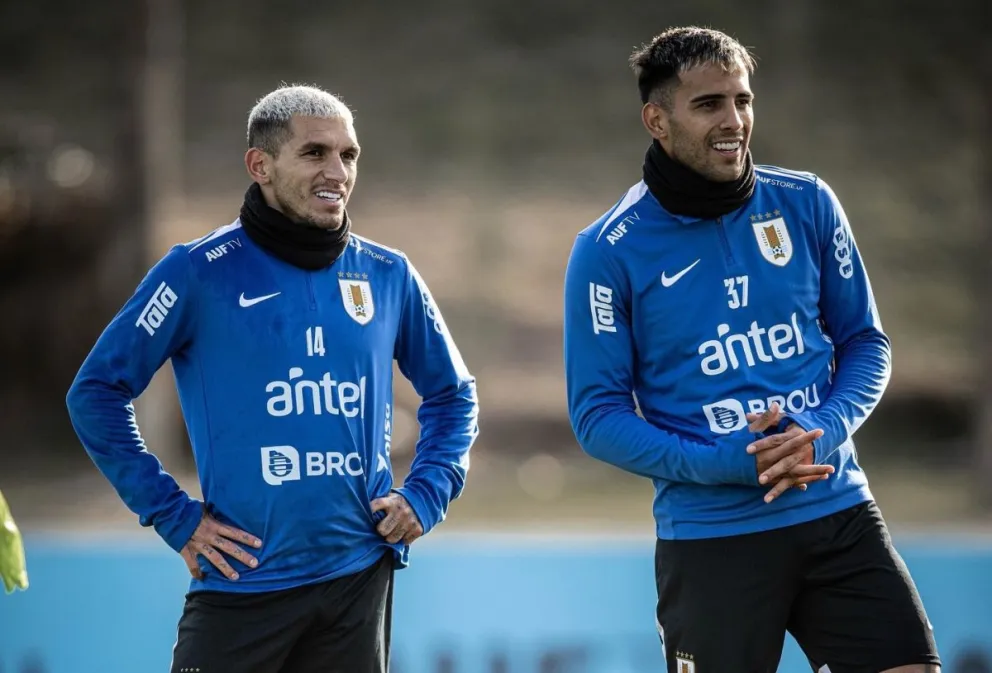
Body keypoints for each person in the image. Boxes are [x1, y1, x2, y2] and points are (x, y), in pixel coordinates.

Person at [563, 26, 939, 673]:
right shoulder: (608, 249)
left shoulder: (807, 202)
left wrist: (820, 428)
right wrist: (727, 462)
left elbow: (865, 344)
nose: (734, 120)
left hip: (837, 508)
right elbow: (597, 416)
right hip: (714, 535)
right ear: (657, 119)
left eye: (743, 100)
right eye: (709, 104)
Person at [66, 84, 479, 673]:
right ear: (260, 165)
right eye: (315, 153)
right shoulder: (195, 271)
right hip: (241, 585)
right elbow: (96, 394)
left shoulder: (388, 274)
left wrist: (429, 491)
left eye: (349, 155)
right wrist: (173, 513)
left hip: (357, 582)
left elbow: (453, 394)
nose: (336, 170)